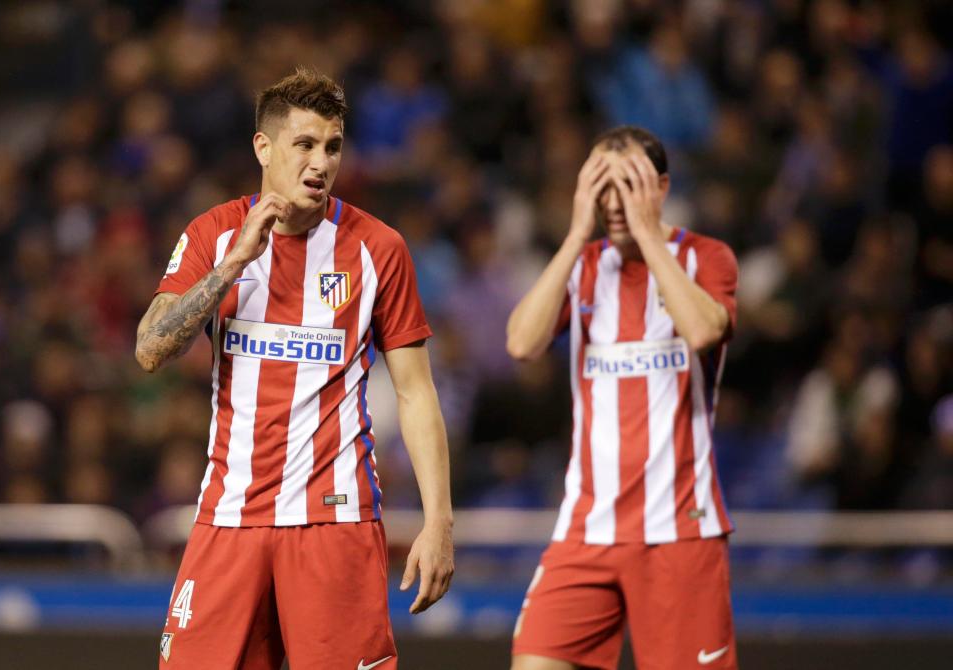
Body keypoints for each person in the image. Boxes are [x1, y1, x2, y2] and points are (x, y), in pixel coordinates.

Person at [135, 68, 454, 670]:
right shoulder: (215, 233)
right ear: (264, 147)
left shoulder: (377, 249)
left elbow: (416, 394)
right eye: (305, 144)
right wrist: (233, 266)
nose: (321, 162)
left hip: (335, 523)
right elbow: (150, 349)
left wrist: (439, 520)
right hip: (230, 518)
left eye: (333, 146)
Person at [507, 126, 739, 670]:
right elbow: (521, 342)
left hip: (680, 530)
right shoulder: (584, 268)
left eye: (628, 185)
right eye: (601, 187)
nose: (613, 203)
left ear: (661, 186)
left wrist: (648, 235)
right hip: (587, 528)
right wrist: (573, 237)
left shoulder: (707, 257)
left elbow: (705, 329)